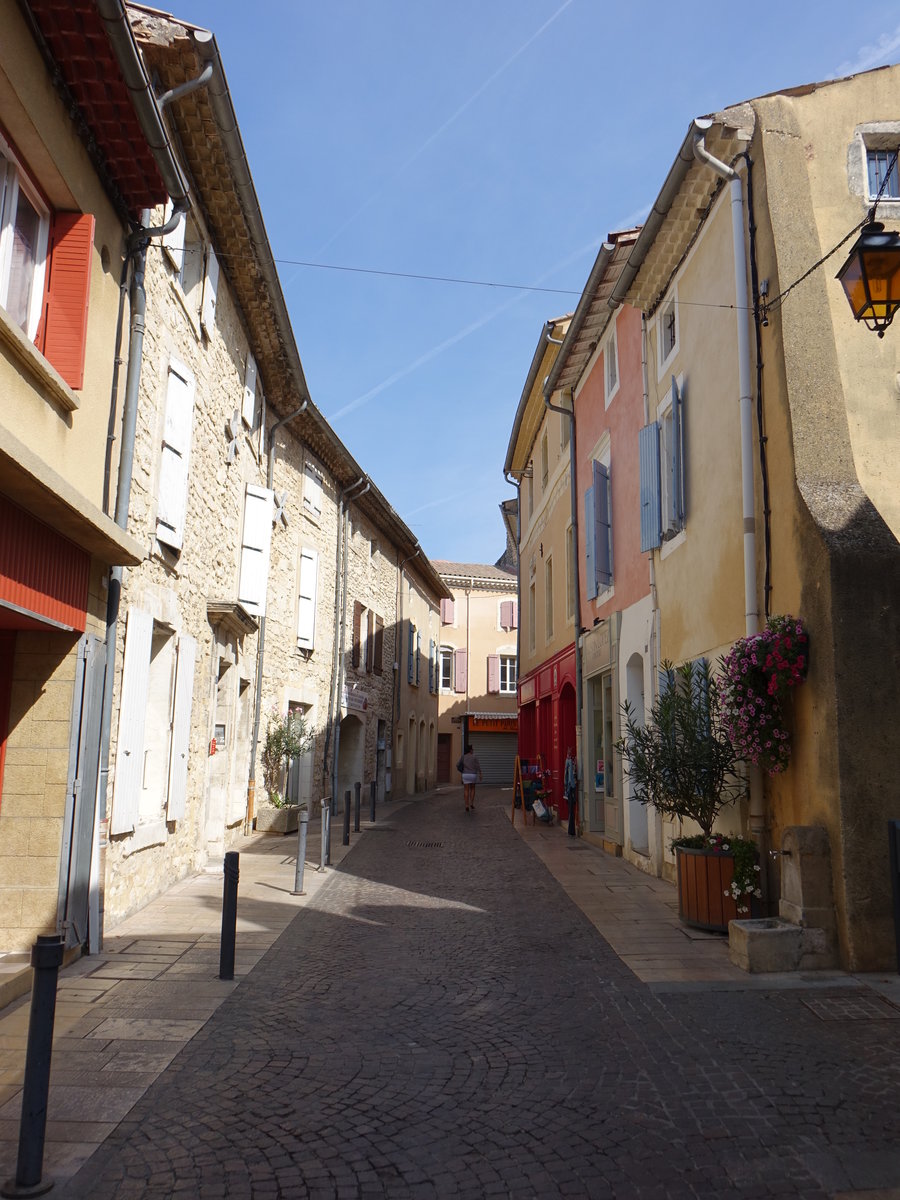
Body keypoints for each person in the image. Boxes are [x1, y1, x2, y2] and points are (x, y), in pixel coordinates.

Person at [460, 744, 482, 813]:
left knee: (466, 790)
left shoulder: (463, 757)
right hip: (473, 775)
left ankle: (466, 805)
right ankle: (471, 803)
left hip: (465, 774)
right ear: (470, 750)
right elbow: (478, 766)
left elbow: (458, 764)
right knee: (472, 789)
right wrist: (480, 773)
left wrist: (462, 770)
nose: (473, 750)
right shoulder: (474, 757)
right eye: (472, 749)